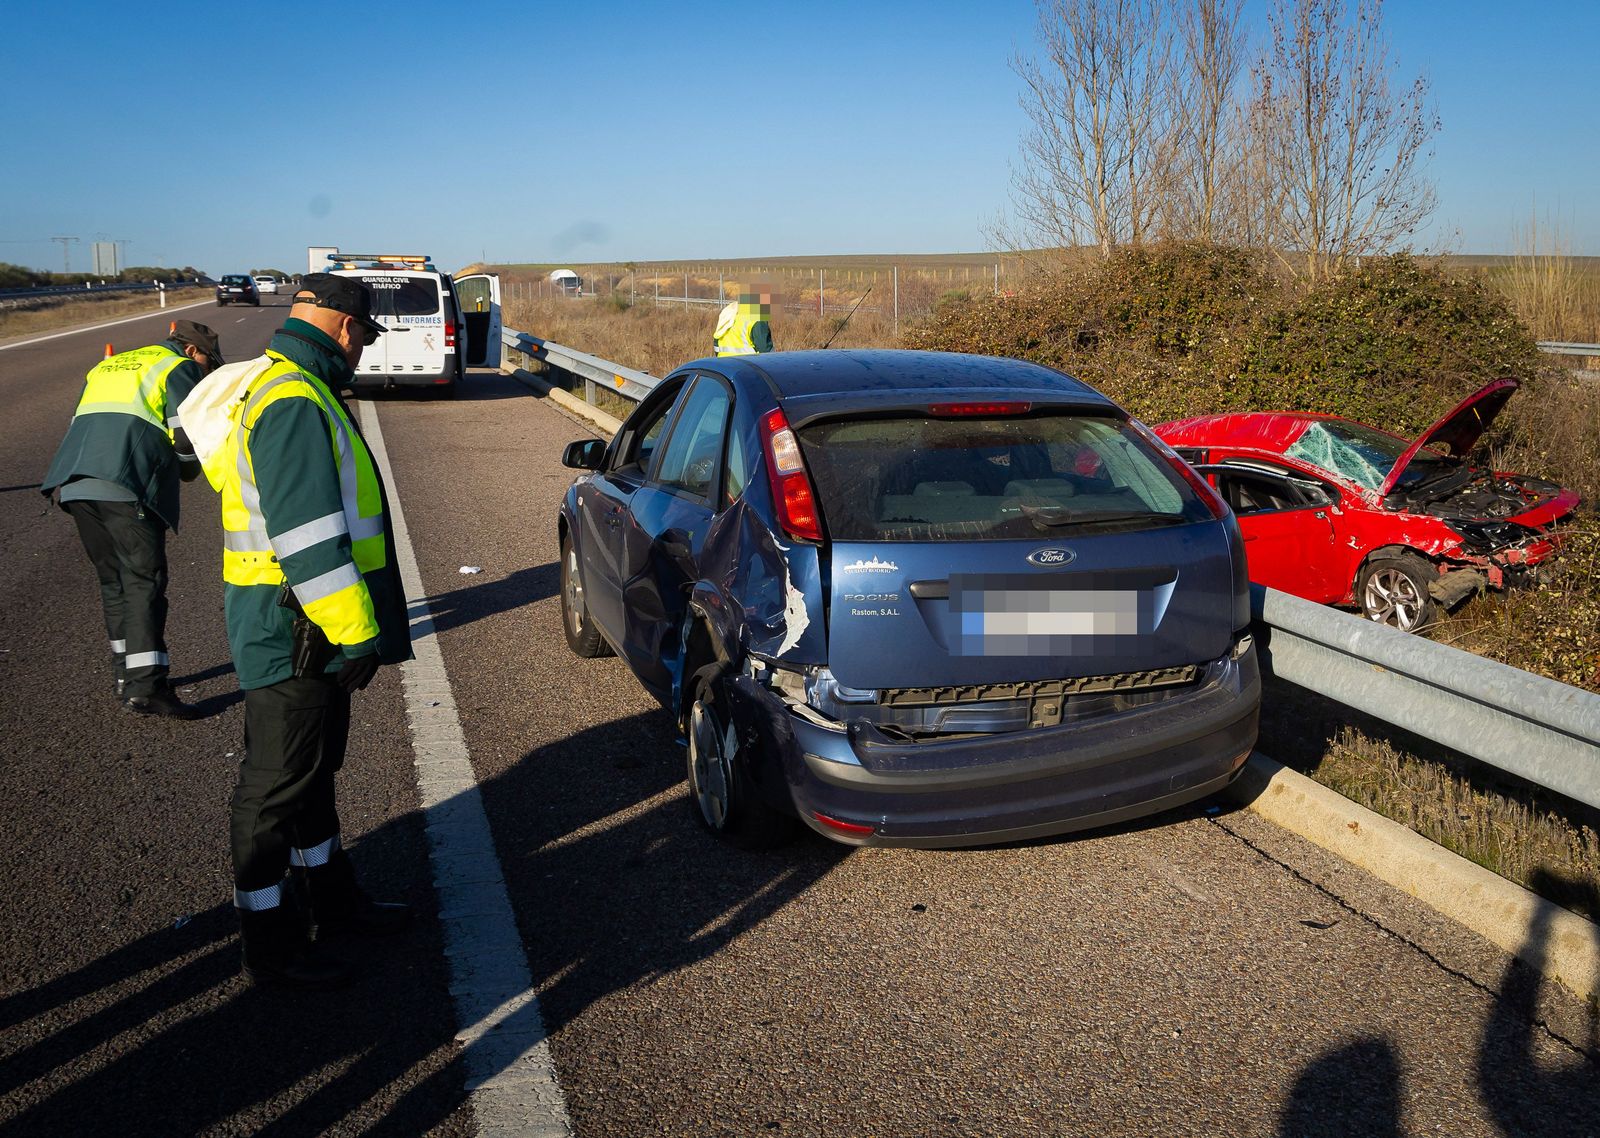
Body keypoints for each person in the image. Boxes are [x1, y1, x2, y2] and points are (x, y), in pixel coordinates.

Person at [196, 274, 415, 989]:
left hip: (302, 624)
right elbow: (310, 541)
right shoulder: (293, 399)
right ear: (347, 329)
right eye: (363, 340)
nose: (359, 354)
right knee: (274, 786)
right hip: (296, 629)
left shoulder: (291, 384)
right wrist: (357, 634)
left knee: (311, 776)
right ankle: (271, 944)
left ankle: (331, 901)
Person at [42, 319, 225, 718]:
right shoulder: (178, 366)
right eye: (208, 364)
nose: (205, 373)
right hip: (124, 483)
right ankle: (148, 687)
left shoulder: (111, 365)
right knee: (143, 581)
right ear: (195, 351)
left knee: (114, 583)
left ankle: (126, 676)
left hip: (74, 482)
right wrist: (191, 471)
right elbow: (185, 435)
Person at [713, 289, 774, 356]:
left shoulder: (729, 312)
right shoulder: (757, 318)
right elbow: (765, 351)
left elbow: (716, 341)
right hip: (747, 363)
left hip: (722, 362)